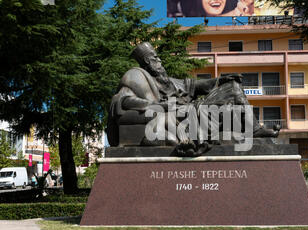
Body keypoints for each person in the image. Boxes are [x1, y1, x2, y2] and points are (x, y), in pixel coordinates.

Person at [107, 42, 279, 153]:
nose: (160, 61)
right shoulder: (140, 78)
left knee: (232, 85)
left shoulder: (169, 81)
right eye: (155, 58)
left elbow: (194, 85)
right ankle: (254, 129)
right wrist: (158, 105)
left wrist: (220, 80)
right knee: (233, 91)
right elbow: (122, 101)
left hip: (194, 109)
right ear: (148, 62)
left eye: (158, 58)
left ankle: (254, 129)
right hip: (187, 113)